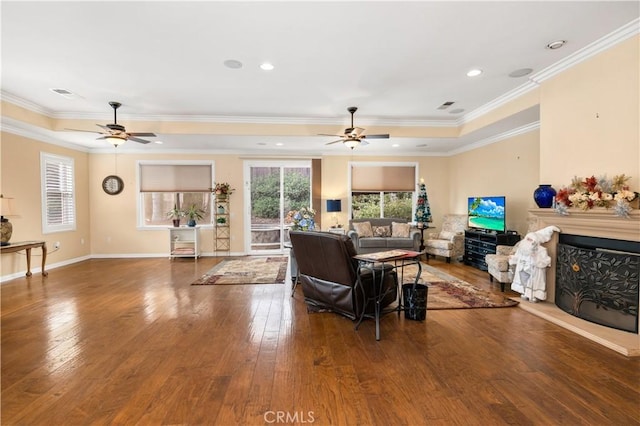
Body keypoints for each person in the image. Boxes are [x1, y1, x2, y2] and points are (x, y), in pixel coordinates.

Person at [509, 225, 561, 302]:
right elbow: (517, 257)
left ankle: (533, 295)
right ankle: (524, 293)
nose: (528, 241)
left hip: (533, 270)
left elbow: (545, 261)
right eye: (528, 239)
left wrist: (536, 258)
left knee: (533, 282)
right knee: (523, 281)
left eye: (530, 240)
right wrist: (512, 258)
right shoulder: (522, 248)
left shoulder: (541, 250)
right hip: (522, 269)